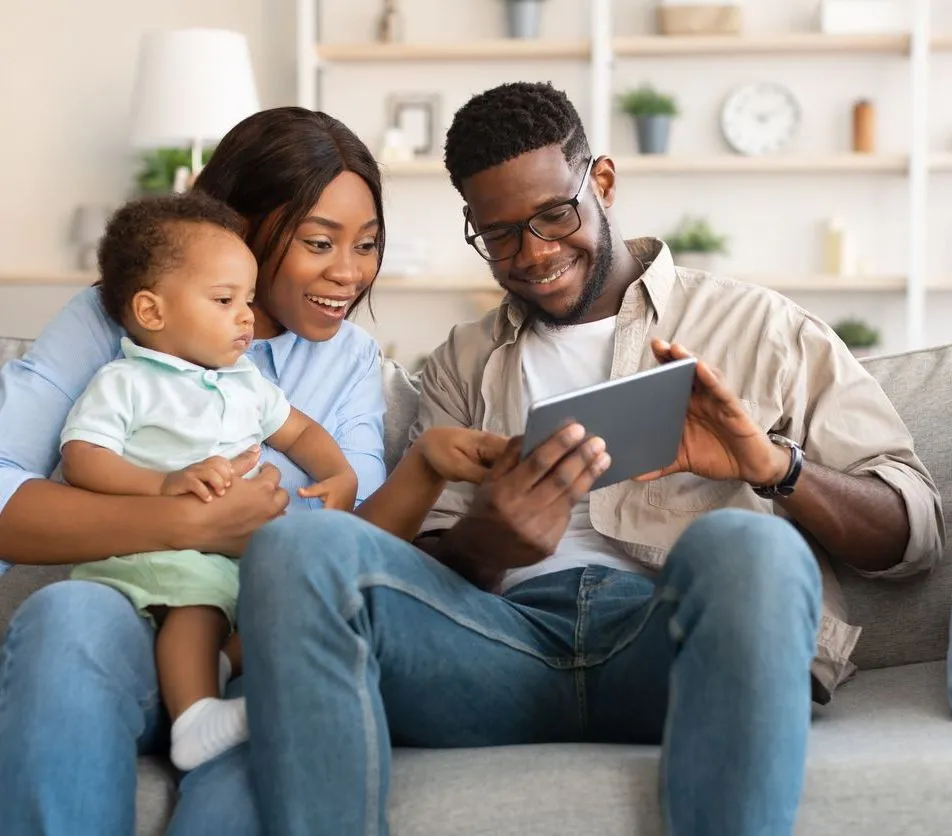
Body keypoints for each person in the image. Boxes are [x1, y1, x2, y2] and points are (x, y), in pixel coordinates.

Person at [235, 83, 945, 836]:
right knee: (297, 547)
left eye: (554, 214)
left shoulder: (759, 328)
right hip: (498, 648)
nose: (534, 252)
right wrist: (489, 540)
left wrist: (772, 466)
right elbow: (421, 578)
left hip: (673, 645)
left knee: (752, 543)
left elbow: (914, 531)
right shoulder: (463, 363)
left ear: (601, 181)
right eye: (500, 232)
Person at [0, 107, 511, 836]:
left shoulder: (347, 363)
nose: (349, 273)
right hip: (117, 616)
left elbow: (350, 536)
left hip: (250, 639)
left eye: (366, 245)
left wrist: (424, 465)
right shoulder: (120, 322)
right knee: (66, 615)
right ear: (238, 230)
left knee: (288, 689)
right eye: (318, 242)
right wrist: (186, 519)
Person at [61, 191, 366, 772]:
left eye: (247, 299)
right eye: (225, 300)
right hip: (154, 551)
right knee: (198, 603)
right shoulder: (128, 381)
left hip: (236, 556)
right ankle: (194, 717)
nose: (247, 316)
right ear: (152, 312)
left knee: (272, 601)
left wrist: (339, 473)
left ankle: (230, 687)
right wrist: (162, 484)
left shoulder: (244, 380)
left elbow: (300, 432)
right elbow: (83, 457)